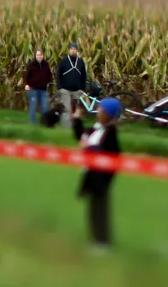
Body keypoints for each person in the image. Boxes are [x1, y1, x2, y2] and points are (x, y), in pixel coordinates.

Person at [72, 98, 121, 250]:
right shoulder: (95, 129)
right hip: (91, 173)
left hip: (101, 176)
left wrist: (89, 149)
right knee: (93, 209)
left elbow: (113, 156)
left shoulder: (110, 134)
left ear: (108, 114)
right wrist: (77, 118)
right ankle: (96, 239)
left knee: (100, 209)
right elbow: (81, 136)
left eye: (101, 109)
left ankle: (102, 241)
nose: (98, 111)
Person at [57, 43, 88, 128]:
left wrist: (83, 89)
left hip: (77, 90)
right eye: (71, 49)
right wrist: (60, 87)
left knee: (76, 109)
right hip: (65, 90)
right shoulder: (64, 61)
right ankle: (66, 127)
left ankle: (75, 126)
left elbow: (83, 76)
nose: (73, 51)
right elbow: (58, 74)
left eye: (75, 49)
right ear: (69, 50)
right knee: (66, 109)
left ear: (77, 51)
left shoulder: (80, 62)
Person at [24, 49, 54, 125]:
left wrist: (47, 81)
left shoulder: (46, 64)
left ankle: (44, 122)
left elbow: (49, 75)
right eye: (38, 55)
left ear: (43, 56)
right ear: (35, 56)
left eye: (41, 55)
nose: (39, 56)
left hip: (43, 90)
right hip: (33, 89)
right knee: (33, 107)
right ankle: (32, 123)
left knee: (44, 107)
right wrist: (27, 84)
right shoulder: (31, 65)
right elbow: (27, 75)